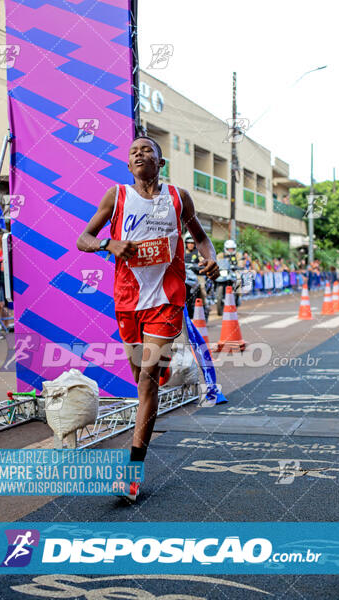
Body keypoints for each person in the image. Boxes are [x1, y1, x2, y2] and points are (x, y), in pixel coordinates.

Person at [77, 135, 219, 501]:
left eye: (147, 151)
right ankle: (162, 366)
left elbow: (202, 238)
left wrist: (210, 257)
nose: (140, 155)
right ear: (128, 165)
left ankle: (132, 473)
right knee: (140, 372)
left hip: (166, 300)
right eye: (133, 152)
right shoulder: (118, 196)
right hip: (128, 301)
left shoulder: (178, 197)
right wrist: (109, 244)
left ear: (160, 163)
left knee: (147, 382)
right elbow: (84, 238)